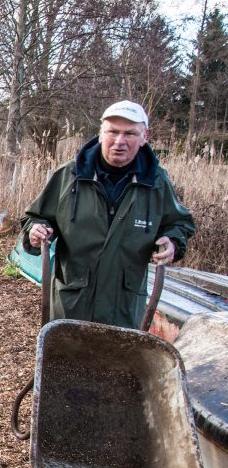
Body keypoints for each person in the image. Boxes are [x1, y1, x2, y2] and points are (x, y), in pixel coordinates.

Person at [22, 100, 196, 329]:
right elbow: (35, 217)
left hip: (124, 310)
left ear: (144, 136)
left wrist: (173, 242)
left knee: (118, 354)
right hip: (71, 306)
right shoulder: (69, 176)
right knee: (67, 353)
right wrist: (36, 231)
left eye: (130, 133)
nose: (119, 141)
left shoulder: (156, 182)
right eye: (113, 132)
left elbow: (180, 223)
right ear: (101, 132)